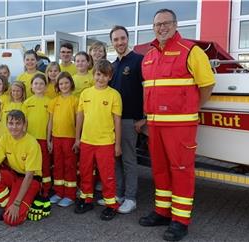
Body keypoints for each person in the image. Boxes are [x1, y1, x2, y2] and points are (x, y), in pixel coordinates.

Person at [138, 9, 215, 242]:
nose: (161, 27)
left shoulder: (191, 51)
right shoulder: (149, 55)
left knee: (181, 171)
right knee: (159, 170)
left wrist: (190, 108)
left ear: (175, 24)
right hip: (155, 125)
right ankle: (162, 211)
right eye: (157, 24)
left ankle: (180, 220)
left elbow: (207, 85)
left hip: (181, 126)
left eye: (166, 23)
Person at [73, 60, 122, 221]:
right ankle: (86, 199)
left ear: (110, 77)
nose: (101, 78)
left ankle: (111, 204)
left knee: (107, 175)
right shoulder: (86, 93)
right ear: (93, 75)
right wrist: (77, 138)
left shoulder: (114, 94)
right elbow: (80, 116)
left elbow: (117, 121)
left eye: (105, 75)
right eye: (98, 74)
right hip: (87, 141)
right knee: (85, 172)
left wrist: (118, 144)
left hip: (106, 142)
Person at [108, 25, 145, 214]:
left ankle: (131, 198)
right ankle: (119, 194)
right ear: (112, 42)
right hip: (113, 122)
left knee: (129, 160)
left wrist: (143, 118)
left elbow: (147, 91)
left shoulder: (139, 60)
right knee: (116, 159)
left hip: (130, 121)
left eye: (122, 38)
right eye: (115, 39)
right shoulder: (113, 66)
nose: (119, 42)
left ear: (128, 39)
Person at [0, 110, 42, 226]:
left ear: (24, 124)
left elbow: (29, 176)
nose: (14, 127)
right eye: (11, 123)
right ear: (6, 124)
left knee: (11, 220)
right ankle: (8, 206)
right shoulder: (5, 138)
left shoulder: (32, 144)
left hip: (30, 180)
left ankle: (23, 202)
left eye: (18, 123)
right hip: (14, 176)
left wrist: (16, 204)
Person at [47, 72, 78, 207]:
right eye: (61, 84)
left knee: (70, 165)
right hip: (56, 138)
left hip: (70, 138)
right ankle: (59, 192)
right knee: (58, 165)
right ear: (57, 86)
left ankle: (70, 194)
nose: (64, 86)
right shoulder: (54, 101)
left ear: (71, 83)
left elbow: (78, 122)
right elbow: (50, 122)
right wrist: (49, 139)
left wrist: (78, 139)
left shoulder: (75, 100)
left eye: (66, 83)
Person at [22, 73, 52, 198]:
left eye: (41, 83)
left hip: (44, 139)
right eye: (36, 83)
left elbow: (50, 122)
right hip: (30, 140)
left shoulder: (50, 102)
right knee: (30, 165)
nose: (38, 86)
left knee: (44, 164)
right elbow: (24, 122)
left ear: (45, 87)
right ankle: (32, 188)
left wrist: (49, 139)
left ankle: (46, 190)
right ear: (31, 87)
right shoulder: (27, 102)